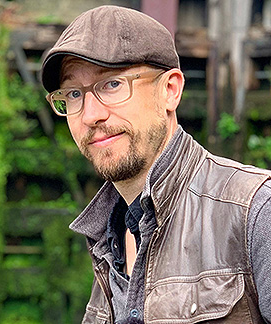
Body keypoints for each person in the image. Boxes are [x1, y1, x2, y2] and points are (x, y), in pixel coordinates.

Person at [40, 5, 271, 324]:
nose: (91, 115)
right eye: (75, 94)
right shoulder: (108, 239)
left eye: (112, 84)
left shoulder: (256, 210)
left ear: (170, 90)